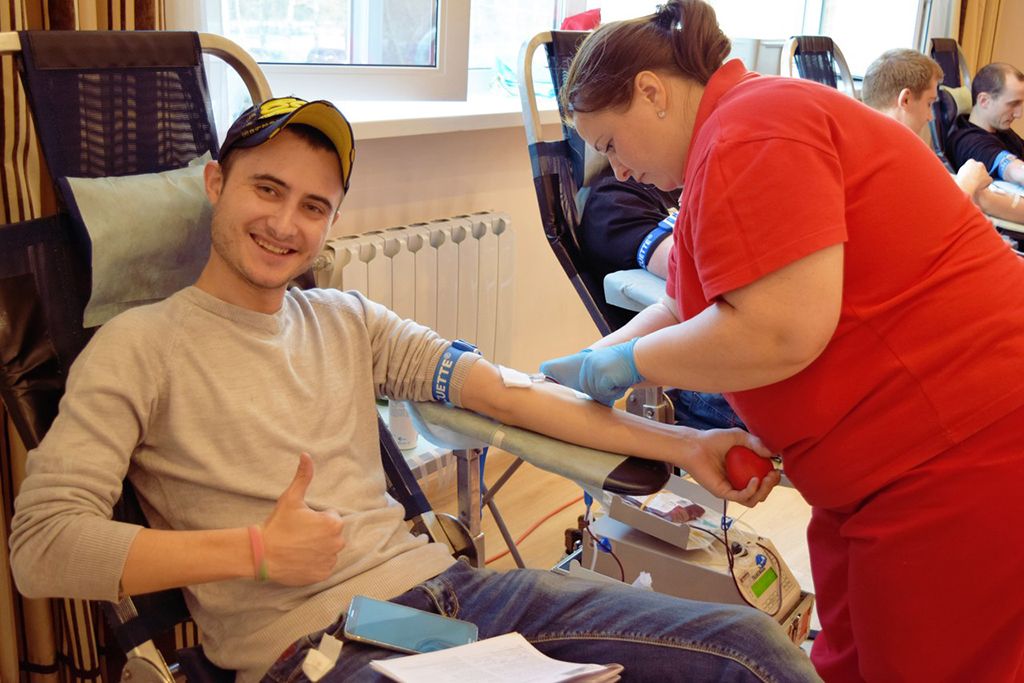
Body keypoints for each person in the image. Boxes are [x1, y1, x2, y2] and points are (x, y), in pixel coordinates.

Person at [8, 96, 820, 683]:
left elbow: (508, 394)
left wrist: (688, 443)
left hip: (450, 598)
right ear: (216, 182)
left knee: (746, 647)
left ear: (332, 223)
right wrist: (253, 551)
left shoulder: (347, 319)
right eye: (266, 189)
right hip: (317, 646)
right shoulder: (139, 345)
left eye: (313, 206)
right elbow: (41, 549)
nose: (286, 224)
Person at [539, 2, 1024, 681]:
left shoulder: (754, 128)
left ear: (651, 92)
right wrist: (597, 358)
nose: (617, 171)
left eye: (612, 144)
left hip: (955, 450)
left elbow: (781, 328)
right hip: (876, 468)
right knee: (847, 661)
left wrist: (625, 363)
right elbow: (683, 302)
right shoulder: (727, 141)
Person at [579, 158, 744, 430]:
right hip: (725, 376)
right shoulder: (616, 200)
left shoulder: (701, 175)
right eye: (606, 147)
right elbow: (694, 274)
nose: (621, 169)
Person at [861, 48, 1024, 223]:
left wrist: (973, 189)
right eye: (928, 103)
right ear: (905, 100)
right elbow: (929, 225)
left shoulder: (907, 153)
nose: (930, 117)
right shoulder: (876, 165)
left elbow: (981, 199)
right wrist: (968, 185)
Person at [947, 61, 1024, 185]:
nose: (1018, 114)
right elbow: (1011, 168)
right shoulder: (969, 142)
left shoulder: (1002, 130)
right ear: (984, 101)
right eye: (1012, 104)